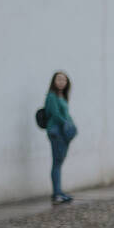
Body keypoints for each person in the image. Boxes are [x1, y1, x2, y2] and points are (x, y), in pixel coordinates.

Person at [43, 71, 76, 204]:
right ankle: (57, 193)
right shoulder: (51, 96)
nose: (61, 82)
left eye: (64, 80)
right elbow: (56, 114)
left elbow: (66, 115)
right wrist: (67, 124)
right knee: (57, 162)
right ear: (54, 81)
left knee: (59, 162)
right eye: (59, 79)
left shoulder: (62, 96)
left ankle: (59, 191)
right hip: (56, 132)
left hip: (64, 133)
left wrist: (71, 126)